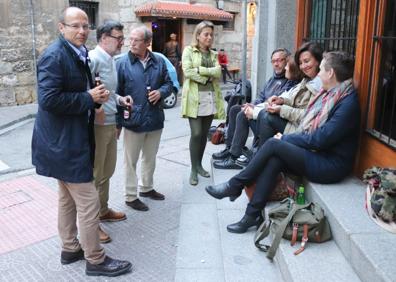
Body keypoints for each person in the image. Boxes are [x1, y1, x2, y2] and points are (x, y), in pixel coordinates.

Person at [206, 51, 360, 234]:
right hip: (319, 154)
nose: (318, 74)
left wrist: (285, 138)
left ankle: (235, 185)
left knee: (274, 144)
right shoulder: (332, 95)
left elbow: (319, 140)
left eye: (321, 70)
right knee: (275, 158)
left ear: (331, 73)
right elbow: (314, 135)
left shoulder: (348, 103)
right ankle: (251, 215)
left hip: (330, 165)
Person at [31, 7, 132, 276]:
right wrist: (89, 98)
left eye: (86, 26)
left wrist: (95, 99)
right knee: (88, 203)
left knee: (67, 200)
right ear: (61, 28)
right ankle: (96, 259)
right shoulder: (54, 56)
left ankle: (70, 248)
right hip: (63, 144)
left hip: (67, 140)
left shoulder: (77, 52)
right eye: (75, 25)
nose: (82, 31)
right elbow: (49, 100)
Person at [116, 25, 173, 211]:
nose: (130, 43)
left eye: (136, 40)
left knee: (150, 157)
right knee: (130, 161)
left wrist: (161, 92)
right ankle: (131, 196)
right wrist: (118, 123)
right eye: (130, 39)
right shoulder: (122, 63)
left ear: (148, 42)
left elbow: (169, 83)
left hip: (155, 118)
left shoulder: (159, 61)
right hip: (133, 120)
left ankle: (147, 188)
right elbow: (116, 94)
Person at [212, 48, 297, 169]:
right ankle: (230, 147)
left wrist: (253, 108)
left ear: (287, 61)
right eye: (273, 61)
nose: (276, 64)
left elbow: (277, 102)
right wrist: (252, 104)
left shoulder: (290, 81)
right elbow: (261, 97)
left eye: (280, 60)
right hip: (260, 112)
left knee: (242, 114)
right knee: (235, 109)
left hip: (270, 119)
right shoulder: (272, 79)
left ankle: (234, 157)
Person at [88, 20, 132, 243]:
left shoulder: (110, 59)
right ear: (104, 38)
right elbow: (87, 91)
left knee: (107, 171)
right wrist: (97, 111)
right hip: (98, 125)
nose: (122, 43)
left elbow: (108, 91)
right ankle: (91, 223)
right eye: (119, 38)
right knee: (96, 175)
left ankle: (103, 209)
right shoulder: (94, 59)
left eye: (122, 39)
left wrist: (119, 98)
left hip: (110, 123)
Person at [181, 21, 226, 186]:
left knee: (204, 134)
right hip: (194, 98)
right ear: (198, 36)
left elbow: (218, 72)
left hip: (210, 97)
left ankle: (199, 165)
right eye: (206, 34)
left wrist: (200, 70)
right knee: (196, 133)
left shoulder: (213, 54)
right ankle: (193, 169)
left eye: (211, 35)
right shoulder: (189, 51)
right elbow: (187, 71)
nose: (209, 37)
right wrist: (206, 77)